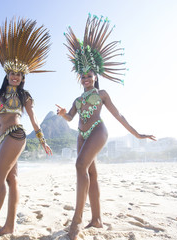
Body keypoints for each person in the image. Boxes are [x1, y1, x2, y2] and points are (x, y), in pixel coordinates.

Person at [56, 14, 156, 240]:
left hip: (99, 131)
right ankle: (97, 219)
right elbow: (71, 118)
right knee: (91, 172)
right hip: (81, 135)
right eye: (83, 76)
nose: (86, 78)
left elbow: (118, 115)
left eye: (89, 75)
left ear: (95, 76)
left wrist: (137, 134)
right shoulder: (77, 100)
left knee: (80, 165)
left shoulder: (102, 94)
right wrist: (63, 114)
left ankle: (77, 219)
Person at [0, 17, 53, 240]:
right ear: (7, 74)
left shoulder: (25, 96)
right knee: (11, 179)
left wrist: (42, 140)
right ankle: (10, 225)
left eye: (19, 74)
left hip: (16, 135)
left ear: (22, 78)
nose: (15, 76)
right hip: (2, 138)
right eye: (12, 73)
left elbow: (33, 119)